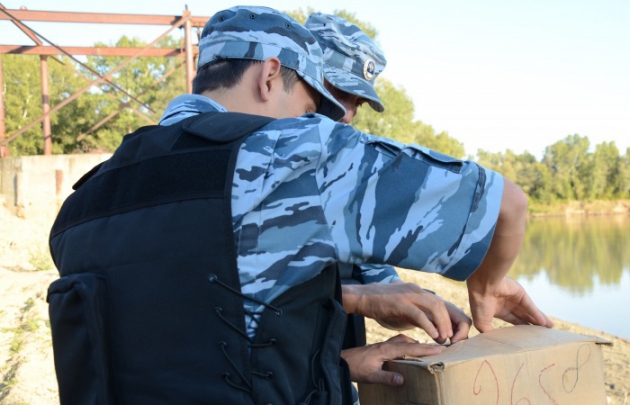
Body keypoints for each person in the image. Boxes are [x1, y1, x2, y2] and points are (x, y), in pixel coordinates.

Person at [47, 6, 553, 405]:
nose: (329, 124)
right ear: (270, 76)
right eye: (313, 107)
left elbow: (187, 356)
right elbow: (504, 203)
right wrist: (487, 286)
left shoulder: (82, 204)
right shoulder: (289, 157)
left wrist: (342, 364)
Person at [304, 11, 473, 386]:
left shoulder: (344, 182)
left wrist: (418, 304)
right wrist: (362, 304)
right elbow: (243, 298)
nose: (347, 114)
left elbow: (378, 282)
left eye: (357, 103)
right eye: (337, 92)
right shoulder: (246, 172)